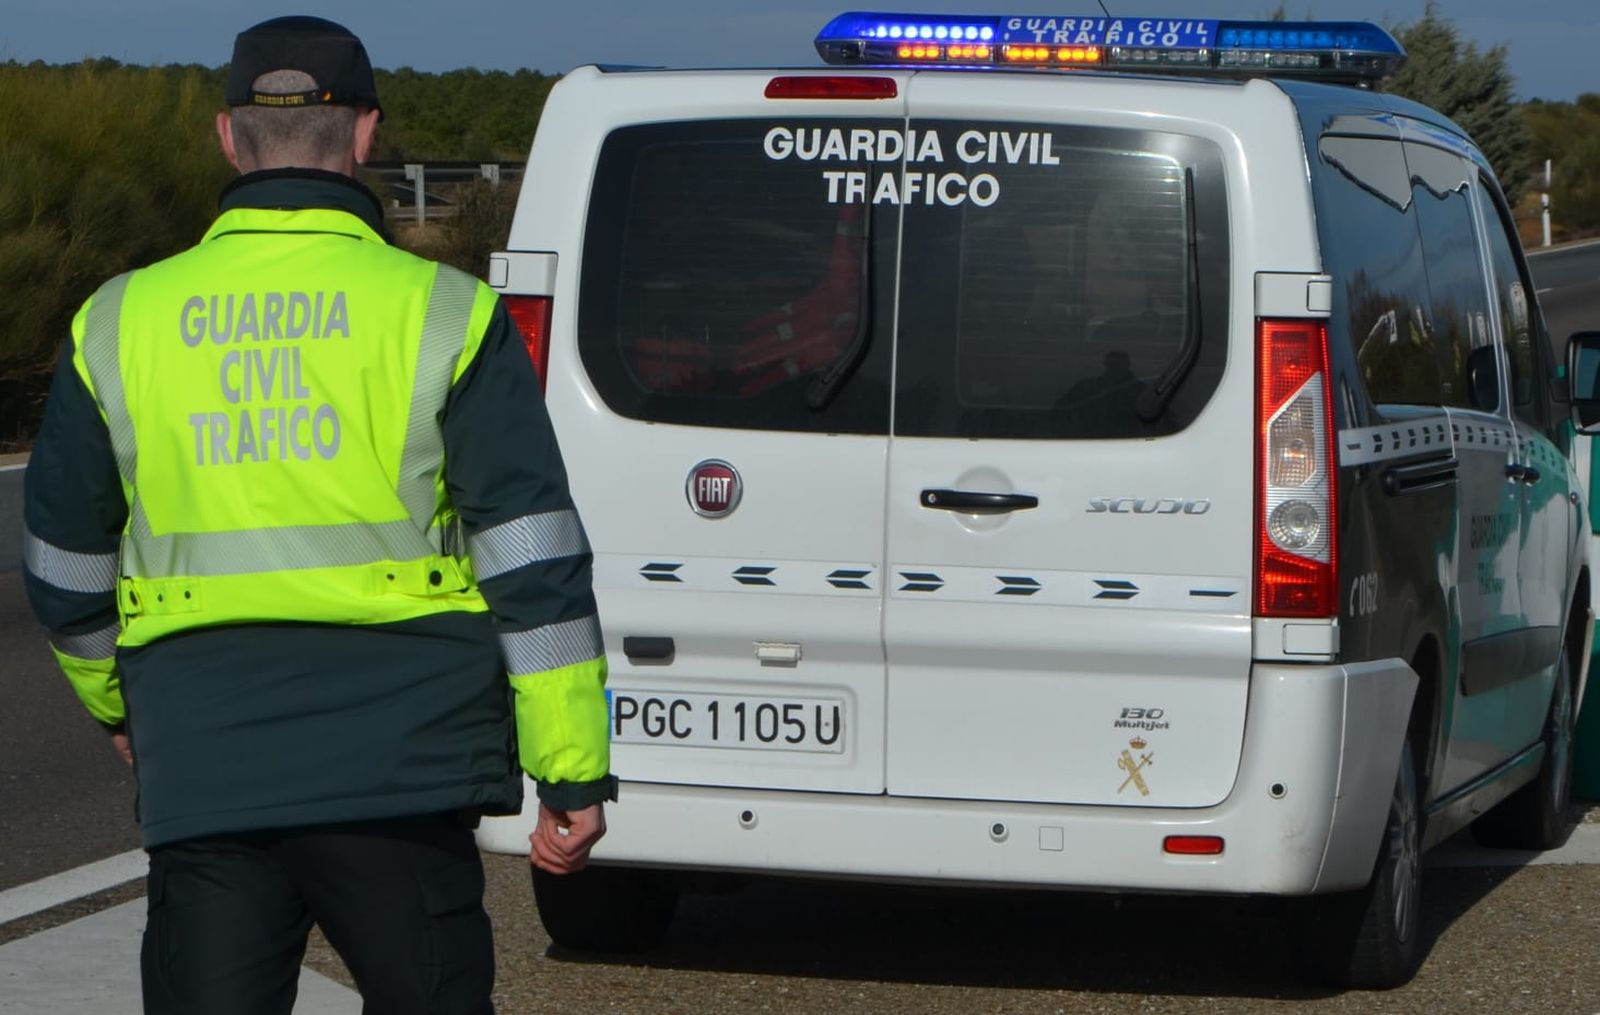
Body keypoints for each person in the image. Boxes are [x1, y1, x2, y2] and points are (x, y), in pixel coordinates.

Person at [21, 16, 613, 1014]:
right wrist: (572, 770)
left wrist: (121, 701)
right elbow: (531, 558)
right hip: (403, 762)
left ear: (226, 137)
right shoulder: (446, 313)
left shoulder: (118, 321)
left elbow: (64, 565)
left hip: (206, 757)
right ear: (366, 135)